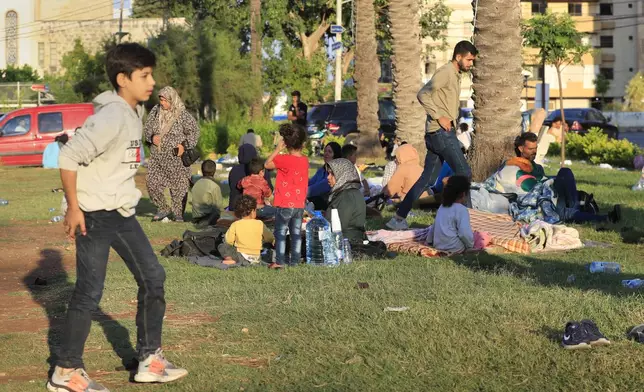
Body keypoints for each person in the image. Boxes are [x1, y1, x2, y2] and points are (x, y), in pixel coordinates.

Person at [51, 43, 187, 392]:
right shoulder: (111, 116)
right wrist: (73, 207)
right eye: (144, 75)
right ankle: (65, 372)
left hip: (121, 211)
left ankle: (148, 360)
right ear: (123, 79)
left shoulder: (133, 112)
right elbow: (68, 157)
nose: (152, 82)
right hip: (95, 215)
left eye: (151, 74)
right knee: (89, 292)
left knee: (153, 276)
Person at [387, 41, 477, 231]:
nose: (470, 64)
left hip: (436, 134)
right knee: (464, 173)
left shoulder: (456, 74)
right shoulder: (445, 72)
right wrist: (439, 116)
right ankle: (464, 220)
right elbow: (423, 94)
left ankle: (398, 218)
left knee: (426, 180)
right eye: (469, 60)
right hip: (442, 133)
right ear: (459, 56)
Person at [491, 132, 620, 224]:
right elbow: (527, 187)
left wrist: (551, 181)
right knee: (566, 209)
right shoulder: (513, 166)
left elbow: (543, 181)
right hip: (541, 204)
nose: (534, 152)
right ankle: (602, 217)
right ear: (520, 148)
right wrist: (550, 182)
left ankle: (579, 210)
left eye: (535, 148)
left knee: (565, 174)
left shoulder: (535, 167)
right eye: (530, 149)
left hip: (551, 197)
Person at [145, 86, 200, 222]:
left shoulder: (182, 114)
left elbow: (194, 131)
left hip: (176, 159)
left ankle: (178, 214)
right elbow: (147, 129)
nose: (162, 103)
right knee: (152, 184)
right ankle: (163, 208)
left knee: (179, 187)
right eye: (161, 100)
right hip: (157, 159)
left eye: (165, 100)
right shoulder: (155, 112)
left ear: (172, 100)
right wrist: (152, 138)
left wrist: (184, 145)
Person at [265, 123, 308, 267]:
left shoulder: (283, 159)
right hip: (299, 204)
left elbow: (267, 164)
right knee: (296, 234)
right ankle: (295, 261)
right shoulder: (305, 161)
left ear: (286, 142)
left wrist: (278, 149)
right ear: (302, 143)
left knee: (281, 233)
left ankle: (280, 261)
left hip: (284, 204)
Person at [219, 195, 275, 266]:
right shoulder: (260, 224)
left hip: (240, 256)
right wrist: (273, 242)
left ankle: (229, 259)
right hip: (257, 256)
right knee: (267, 246)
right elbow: (270, 238)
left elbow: (228, 241)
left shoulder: (235, 224)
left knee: (222, 246)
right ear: (252, 211)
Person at [325, 158, 367, 242]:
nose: (328, 177)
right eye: (328, 173)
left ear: (343, 175)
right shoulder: (346, 192)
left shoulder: (347, 196)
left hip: (345, 242)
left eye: (332, 174)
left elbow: (338, 227)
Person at [432, 176, 474, 254]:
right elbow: (464, 233)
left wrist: (429, 241)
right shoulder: (462, 210)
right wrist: (470, 246)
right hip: (455, 247)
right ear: (463, 194)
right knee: (479, 236)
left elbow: (434, 227)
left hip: (438, 246)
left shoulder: (442, 207)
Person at [228, 144, 273, 211]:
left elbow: (234, 187)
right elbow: (269, 189)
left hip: (235, 206)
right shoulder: (261, 170)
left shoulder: (234, 170)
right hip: (256, 207)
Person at [308, 142, 342, 210]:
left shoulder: (336, 172)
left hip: (329, 204)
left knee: (316, 199)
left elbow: (321, 187)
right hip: (315, 198)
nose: (326, 154)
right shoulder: (322, 170)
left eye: (329, 152)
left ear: (335, 155)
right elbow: (311, 182)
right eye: (325, 151)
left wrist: (301, 193)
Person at [191, 160, 223, 228]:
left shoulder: (196, 184)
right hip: (208, 218)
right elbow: (219, 208)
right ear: (214, 171)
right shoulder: (214, 186)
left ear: (202, 171)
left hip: (196, 217)